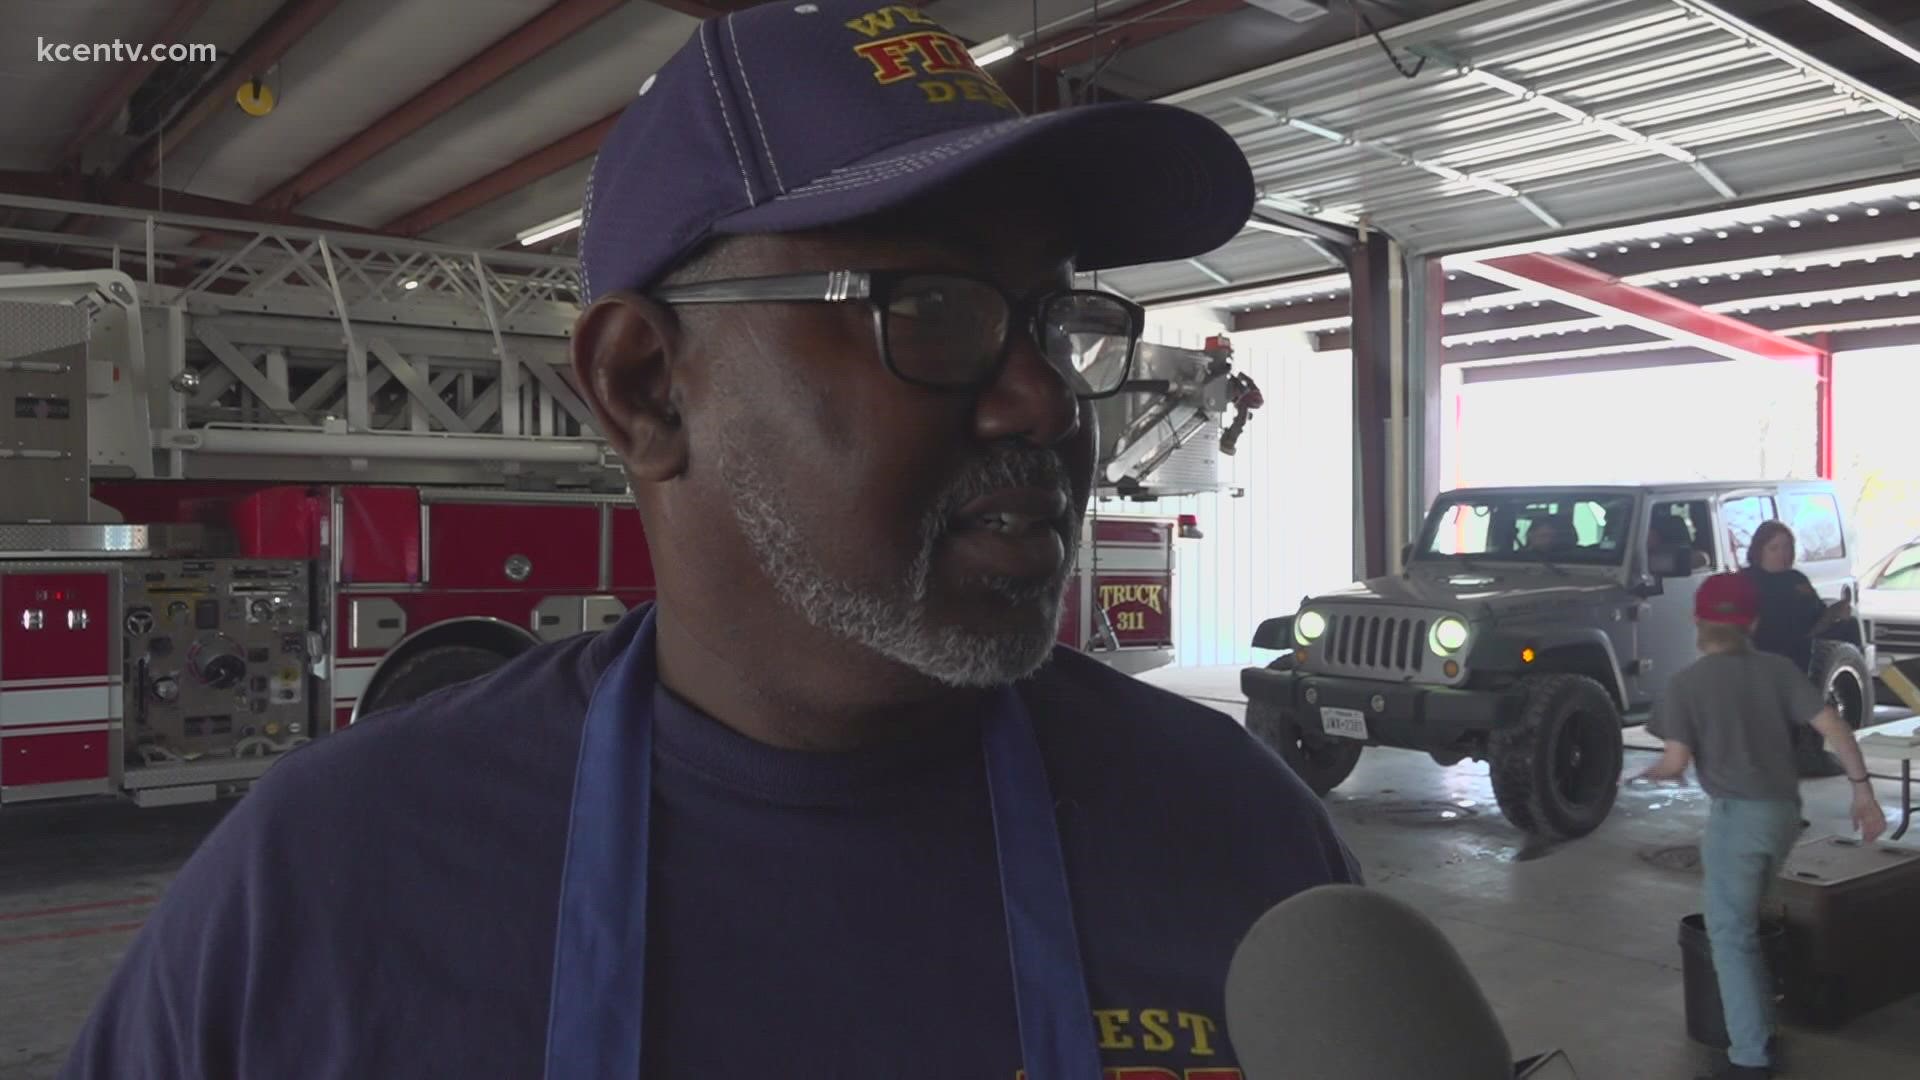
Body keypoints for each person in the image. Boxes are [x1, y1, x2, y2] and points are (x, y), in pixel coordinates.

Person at [58, 4, 1358, 1078]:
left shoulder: (1245, 842)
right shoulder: (322, 890)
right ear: (645, 387)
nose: (1042, 401)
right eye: (937, 308)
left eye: (1053, 316)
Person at [1635, 572, 1885, 1080]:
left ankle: (1749, 1057)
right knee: (1752, 921)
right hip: (1783, 816)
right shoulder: (1778, 670)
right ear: (1752, 621)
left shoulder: (1687, 683)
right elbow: (1835, 727)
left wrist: (1650, 773)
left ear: (1696, 621)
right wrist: (1862, 790)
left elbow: (1675, 761)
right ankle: (1764, 1022)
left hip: (1737, 819)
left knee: (1730, 938)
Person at [1743, 520, 1853, 778]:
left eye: (1787, 547)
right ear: (1759, 550)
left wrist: (1836, 612)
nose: (1783, 554)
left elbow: (1814, 622)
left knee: (1792, 731)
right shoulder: (1746, 581)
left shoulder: (1797, 580)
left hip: (1796, 665)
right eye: (1775, 548)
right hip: (1759, 666)